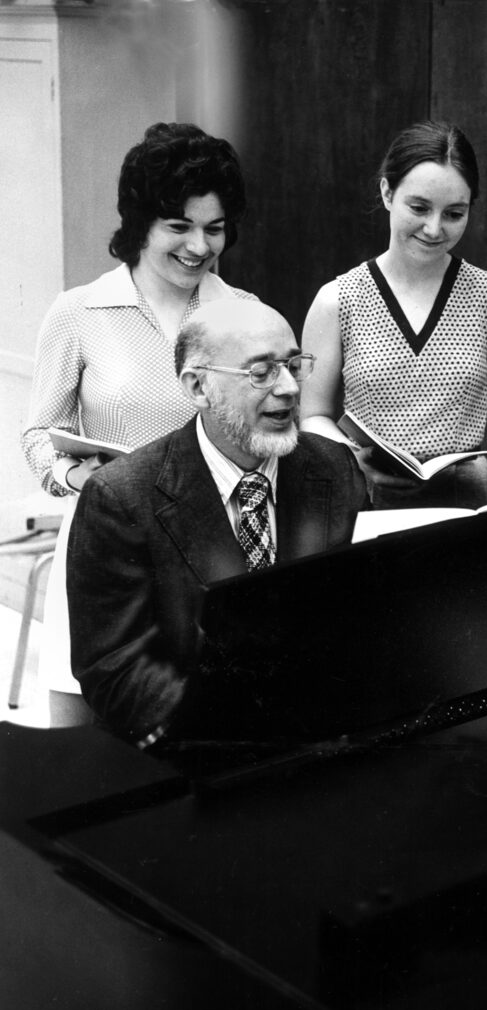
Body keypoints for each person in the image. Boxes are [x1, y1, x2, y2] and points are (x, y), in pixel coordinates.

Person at [20, 122, 256, 726]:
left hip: (206, 558)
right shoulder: (78, 312)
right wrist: (77, 480)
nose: (199, 246)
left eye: (214, 228)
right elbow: (36, 436)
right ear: (140, 224)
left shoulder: (246, 316)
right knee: (83, 748)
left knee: (193, 732)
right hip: (101, 552)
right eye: (179, 226)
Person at [66, 299, 367, 747]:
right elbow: (116, 667)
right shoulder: (122, 497)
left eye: (292, 365)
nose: (288, 388)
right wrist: (246, 734)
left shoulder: (335, 468)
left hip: (325, 742)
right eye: (261, 372)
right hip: (194, 750)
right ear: (198, 388)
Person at [300, 120, 487, 510]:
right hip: (369, 497)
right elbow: (314, 416)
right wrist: (350, 456)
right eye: (419, 207)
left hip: (466, 500)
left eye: (454, 213)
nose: (434, 228)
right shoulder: (337, 300)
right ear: (387, 192)